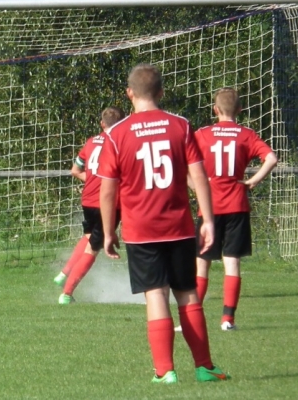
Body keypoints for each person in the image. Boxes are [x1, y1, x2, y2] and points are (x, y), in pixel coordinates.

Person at [96, 64, 229, 384]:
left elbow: (107, 191)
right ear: (161, 92)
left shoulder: (116, 134)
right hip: (178, 227)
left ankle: (165, 371)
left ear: (129, 93)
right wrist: (208, 220)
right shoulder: (180, 126)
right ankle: (204, 367)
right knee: (187, 294)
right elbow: (199, 175)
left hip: (140, 231)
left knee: (156, 295)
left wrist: (108, 232)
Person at [193, 87, 278, 331]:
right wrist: (253, 181)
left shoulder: (202, 134)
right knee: (232, 262)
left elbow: (184, 163)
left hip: (209, 208)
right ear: (240, 109)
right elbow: (271, 158)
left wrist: (196, 186)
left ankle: (192, 318)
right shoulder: (246, 135)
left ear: (215, 110)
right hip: (237, 206)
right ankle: (227, 320)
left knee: (202, 263)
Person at [53, 106, 124, 304]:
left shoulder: (92, 142)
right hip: (108, 202)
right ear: (121, 124)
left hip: (88, 199)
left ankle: (63, 274)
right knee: (92, 248)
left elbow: (75, 170)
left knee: (88, 236)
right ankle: (66, 294)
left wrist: (92, 180)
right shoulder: (119, 144)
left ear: (102, 124)